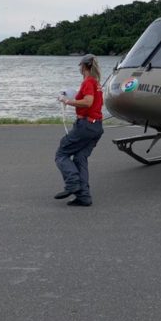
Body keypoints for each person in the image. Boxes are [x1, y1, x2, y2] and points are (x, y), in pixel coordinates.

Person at [54, 53, 105, 206]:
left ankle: (72, 183)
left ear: (83, 66)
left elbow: (88, 102)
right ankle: (84, 196)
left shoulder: (88, 82)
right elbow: (92, 101)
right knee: (80, 158)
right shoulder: (96, 83)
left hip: (86, 126)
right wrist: (74, 97)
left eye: (79, 66)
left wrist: (67, 101)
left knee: (61, 153)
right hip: (96, 126)